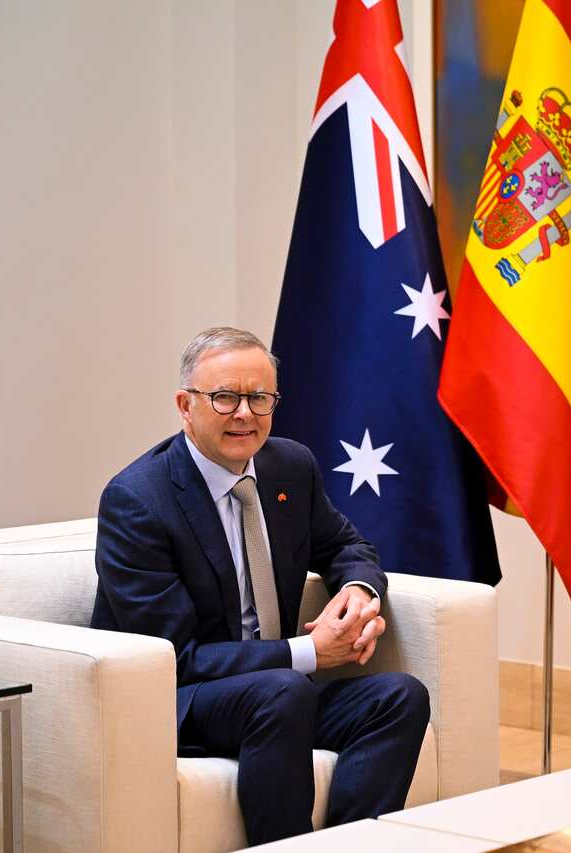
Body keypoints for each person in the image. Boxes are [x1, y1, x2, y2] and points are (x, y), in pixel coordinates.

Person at [91, 327, 429, 845]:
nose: (244, 413)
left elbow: (346, 547)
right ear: (185, 405)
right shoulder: (137, 500)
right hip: (182, 701)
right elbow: (173, 658)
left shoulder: (289, 466)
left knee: (399, 695)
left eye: (260, 398)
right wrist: (309, 652)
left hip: (277, 699)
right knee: (284, 688)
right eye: (225, 397)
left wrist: (360, 593)